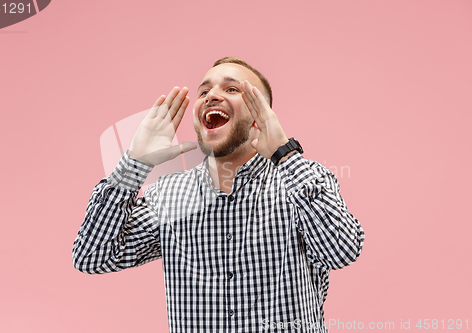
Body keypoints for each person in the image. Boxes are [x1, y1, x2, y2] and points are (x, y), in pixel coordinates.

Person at [72, 57, 365, 332]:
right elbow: (92, 257)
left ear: (260, 116)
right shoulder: (168, 195)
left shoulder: (302, 180)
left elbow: (341, 252)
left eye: (232, 88)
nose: (211, 95)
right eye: (204, 91)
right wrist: (135, 163)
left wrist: (284, 152)